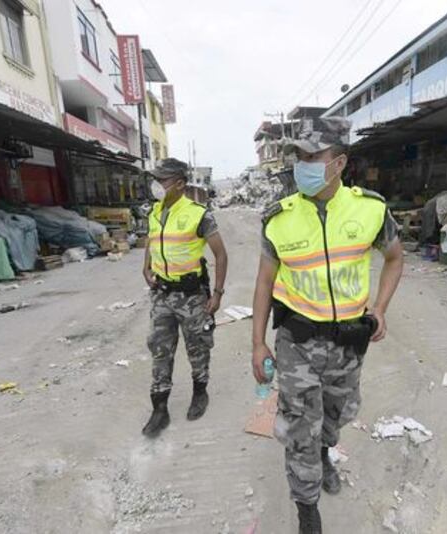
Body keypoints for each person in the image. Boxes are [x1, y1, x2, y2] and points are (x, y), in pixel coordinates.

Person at [251, 118, 404, 533]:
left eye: (311, 156)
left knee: (336, 416)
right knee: (300, 426)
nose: (302, 165)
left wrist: (382, 307)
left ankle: (323, 453)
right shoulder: (278, 218)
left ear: (338, 163)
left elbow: (394, 257)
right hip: (296, 343)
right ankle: (307, 510)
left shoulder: (371, 209)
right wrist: (257, 344)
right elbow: (265, 282)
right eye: (298, 156)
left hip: (349, 344)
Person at [142, 158, 228, 438]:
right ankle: (160, 408)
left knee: (198, 347)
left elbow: (221, 254)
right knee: (160, 350)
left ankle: (200, 392)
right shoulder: (154, 212)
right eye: (155, 179)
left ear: (179, 183)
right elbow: (152, 240)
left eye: (162, 180)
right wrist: (146, 265)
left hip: (191, 296)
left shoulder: (198, 214)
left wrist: (217, 293)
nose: (156, 185)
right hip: (161, 296)